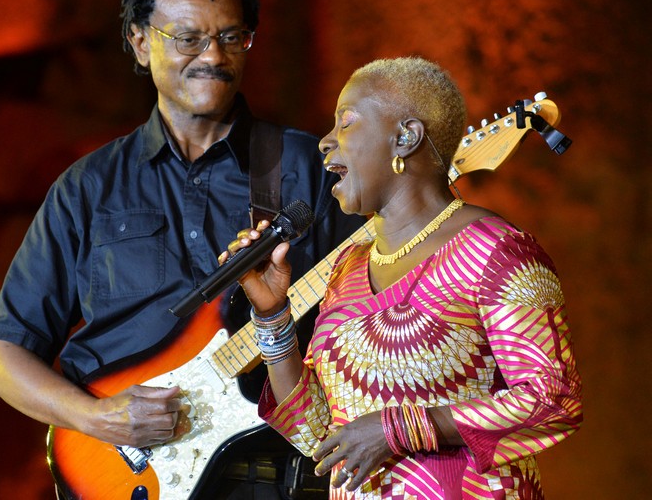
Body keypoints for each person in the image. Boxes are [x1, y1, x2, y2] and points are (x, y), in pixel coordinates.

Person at [0, 0, 364, 499]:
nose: (214, 56)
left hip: (278, 478)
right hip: (128, 476)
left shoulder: (310, 168)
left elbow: (377, 314)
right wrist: (99, 419)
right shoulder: (87, 187)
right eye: (189, 39)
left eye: (233, 37)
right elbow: (0, 360)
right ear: (140, 42)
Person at [224, 56, 583, 499]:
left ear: (405, 137)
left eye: (347, 123)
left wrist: (404, 428)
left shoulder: (495, 249)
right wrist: (273, 315)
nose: (324, 141)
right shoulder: (347, 268)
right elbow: (320, 435)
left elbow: (552, 398)